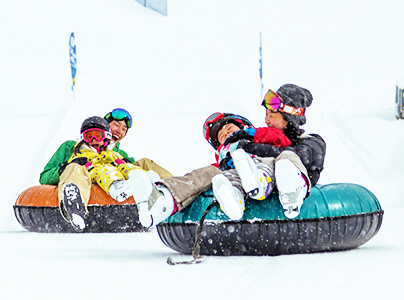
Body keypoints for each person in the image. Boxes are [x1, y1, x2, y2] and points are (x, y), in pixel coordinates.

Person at [39, 108, 173, 231]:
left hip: (114, 177)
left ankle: (174, 193)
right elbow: (44, 177)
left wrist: (126, 165)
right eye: (116, 124)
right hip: (87, 179)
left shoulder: (118, 153)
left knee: (144, 163)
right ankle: (74, 203)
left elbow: (130, 168)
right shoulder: (71, 147)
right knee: (74, 168)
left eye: (124, 129)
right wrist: (65, 169)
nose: (119, 131)